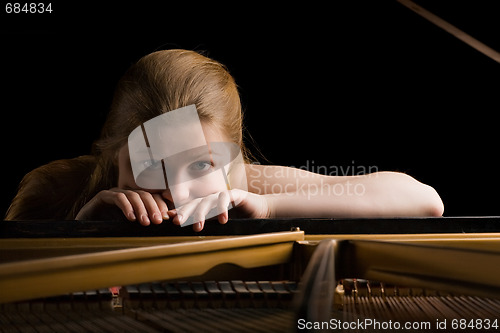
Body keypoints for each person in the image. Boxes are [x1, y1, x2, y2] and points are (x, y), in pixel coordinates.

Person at [5, 49, 444, 231]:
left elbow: (423, 200)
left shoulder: (248, 183)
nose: (177, 192)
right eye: (152, 165)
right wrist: (81, 229)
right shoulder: (54, 189)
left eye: (200, 165)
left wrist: (269, 206)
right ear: (113, 153)